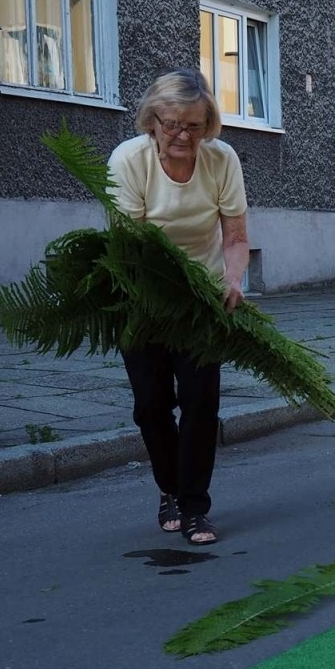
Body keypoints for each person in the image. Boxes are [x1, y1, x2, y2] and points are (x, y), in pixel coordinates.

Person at [108, 69, 249, 545]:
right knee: (150, 406)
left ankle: (194, 506)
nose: (182, 135)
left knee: (200, 402)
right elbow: (131, 245)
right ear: (153, 120)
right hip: (142, 295)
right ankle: (168, 488)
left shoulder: (222, 160)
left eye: (193, 125)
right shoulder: (129, 160)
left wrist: (231, 280)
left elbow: (235, 237)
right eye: (171, 124)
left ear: (208, 123)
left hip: (200, 300)